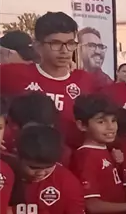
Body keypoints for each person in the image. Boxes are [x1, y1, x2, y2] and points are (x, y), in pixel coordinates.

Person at [0, 12, 98, 146]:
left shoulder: (87, 81)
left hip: (70, 158)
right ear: (37, 46)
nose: (64, 50)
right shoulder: (13, 74)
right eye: (55, 43)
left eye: (70, 43)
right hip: (21, 157)